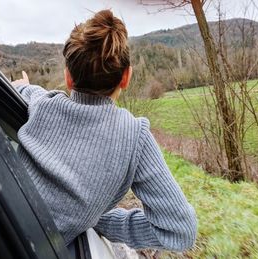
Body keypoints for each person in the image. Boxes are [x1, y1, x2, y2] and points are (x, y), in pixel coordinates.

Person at [12, 9, 197, 251]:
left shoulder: (43, 103)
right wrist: (98, 219)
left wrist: (22, 86)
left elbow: (26, 90)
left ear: (68, 78)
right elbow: (181, 230)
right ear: (126, 77)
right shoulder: (134, 137)